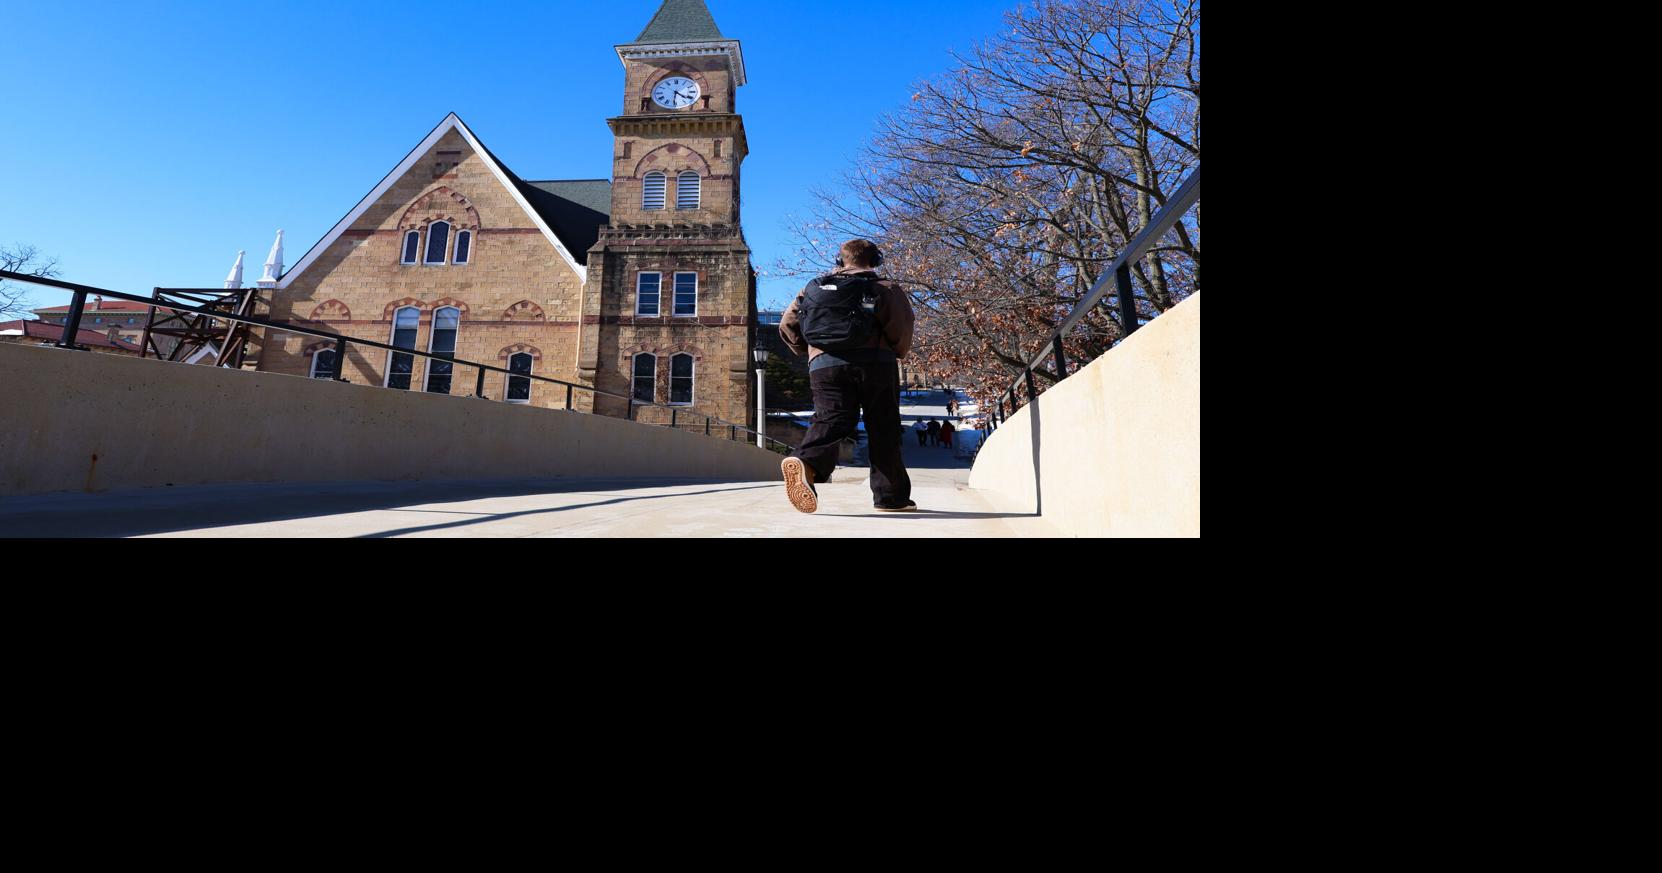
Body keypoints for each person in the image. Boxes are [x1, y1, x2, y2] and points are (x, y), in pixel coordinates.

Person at [778, 239, 917, 513]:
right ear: (875, 260)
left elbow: (787, 325)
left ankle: (806, 462)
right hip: (875, 362)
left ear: (840, 260)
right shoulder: (885, 288)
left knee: (831, 419)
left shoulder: (812, 289)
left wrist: (813, 352)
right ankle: (891, 498)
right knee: (883, 427)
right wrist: (896, 351)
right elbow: (901, 328)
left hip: (825, 365)